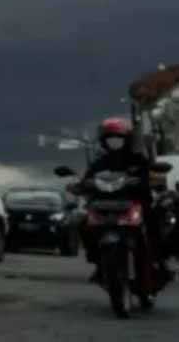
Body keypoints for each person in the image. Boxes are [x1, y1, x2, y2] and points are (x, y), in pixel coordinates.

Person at [79, 117, 166, 282]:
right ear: (104, 141)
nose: (114, 142)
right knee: (83, 224)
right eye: (110, 138)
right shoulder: (100, 162)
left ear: (126, 139)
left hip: (134, 203)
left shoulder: (137, 159)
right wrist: (80, 185)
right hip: (105, 205)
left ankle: (159, 261)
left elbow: (152, 175)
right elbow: (86, 179)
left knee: (153, 220)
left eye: (118, 138)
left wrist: (150, 181)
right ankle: (98, 262)